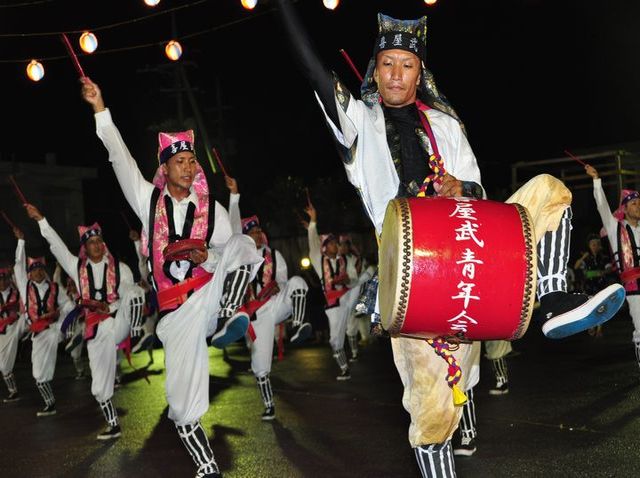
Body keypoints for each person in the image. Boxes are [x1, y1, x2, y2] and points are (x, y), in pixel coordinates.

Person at [274, 2, 626, 475]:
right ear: (374, 72)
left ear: (420, 74)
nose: (396, 75)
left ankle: (554, 298)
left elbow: (478, 186)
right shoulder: (360, 123)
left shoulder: (445, 124)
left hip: (468, 251)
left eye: (407, 66)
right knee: (434, 413)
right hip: (412, 273)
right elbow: (312, 68)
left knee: (550, 191)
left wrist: (464, 188)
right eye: (387, 65)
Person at [81, 77, 263, 478]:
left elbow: (231, 252)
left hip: (209, 299)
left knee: (244, 246)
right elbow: (120, 158)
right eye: (179, 161)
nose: (188, 166)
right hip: (175, 315)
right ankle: (207, 468)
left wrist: (207, 254)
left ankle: (230, 316)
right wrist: (100, 108)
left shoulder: (210, 208)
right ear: (164, 168)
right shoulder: (148, 200)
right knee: (181, 408)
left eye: (192, 160)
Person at [25, 204, 137, 440]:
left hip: (117, 324)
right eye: (91, 242)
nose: (96, 245)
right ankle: (113, 425)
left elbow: (126, 288)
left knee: (134, 294)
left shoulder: (120, 268)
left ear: (103, 243)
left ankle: (138, 330)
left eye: (98, 241)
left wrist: (116, 305)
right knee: (98, 388)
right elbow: (57, 247)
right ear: (85, 247)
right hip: (95, 332)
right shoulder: (77, 267)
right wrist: (42, 220)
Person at [226, 176, 311, 420]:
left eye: (259, 230)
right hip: (257, 316)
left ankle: (300, 324)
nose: (258, 235)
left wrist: (278, 287)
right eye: (253, 232)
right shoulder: (242, 256)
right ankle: (269, 404)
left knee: (297, 282)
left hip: (277, 305)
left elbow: (283, 279)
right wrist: (234, 196)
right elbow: (233, 228)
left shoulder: (274, 254)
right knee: (260, 367)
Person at [12, 226, 72, 417]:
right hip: (38, 335)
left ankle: (71, 336)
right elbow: (18, 265)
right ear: (29, 273)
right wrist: (21, 242)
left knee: (70, 311)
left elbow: (68, 306)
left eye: (40, 269)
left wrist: (62, 319)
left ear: (43, 270)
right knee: (39, 376)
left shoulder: (55, 287)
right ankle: (50, 403)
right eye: (34, 270)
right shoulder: (24, 285)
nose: (37, 272)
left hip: (54, 330)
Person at [586, 164, 640, 366]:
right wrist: (596, 180)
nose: (638, 206)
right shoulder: (614, 227)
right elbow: (602, 206)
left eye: (639, 203)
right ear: (624, 208)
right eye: (634, 203)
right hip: (634, 285)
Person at [303, 200, 354, 380]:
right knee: (335, 340)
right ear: (325, 248)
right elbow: (313, 244)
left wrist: (348, 279)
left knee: (362, 281)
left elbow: (352, 278)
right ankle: (344, 368)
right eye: (331, 244)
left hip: (347, 297)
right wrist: (313, 222)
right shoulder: (319, 261)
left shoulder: (342, 260)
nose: (335, 246)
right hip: (333, 306)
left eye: (335, 243)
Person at [338, 234, 375, 361]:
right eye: (342, 245)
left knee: (353, 322)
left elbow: (357, 278)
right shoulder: (337, 260)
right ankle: (351, 350)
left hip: (354, 292)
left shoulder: (356, 259)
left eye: (346, 245)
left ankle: (355, 352)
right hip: (342, 294)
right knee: (348, 324)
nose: (344, 247)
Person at [574, 233, 614, 337]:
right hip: (588, 285)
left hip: (601, 284)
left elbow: (609, 268)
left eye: (597, 244)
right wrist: (583, 257)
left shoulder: (604, 257)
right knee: (589, 306)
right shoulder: (586, 257)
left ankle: (599, 328)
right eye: (593, 244)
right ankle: (591, 326)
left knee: (601, 306)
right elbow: (576, 266)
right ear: (589, 245)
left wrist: (603, 272)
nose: (595, 246)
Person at [0, 265, 26, 402]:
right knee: (3, 366)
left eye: (5, 279)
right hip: (3, 333)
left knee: (26, 315)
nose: (3, 282)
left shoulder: (16, 293)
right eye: (0, 280)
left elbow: (25, 290)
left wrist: (15, 274)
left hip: (16, 326)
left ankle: (32, 331)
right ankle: (13, 391)